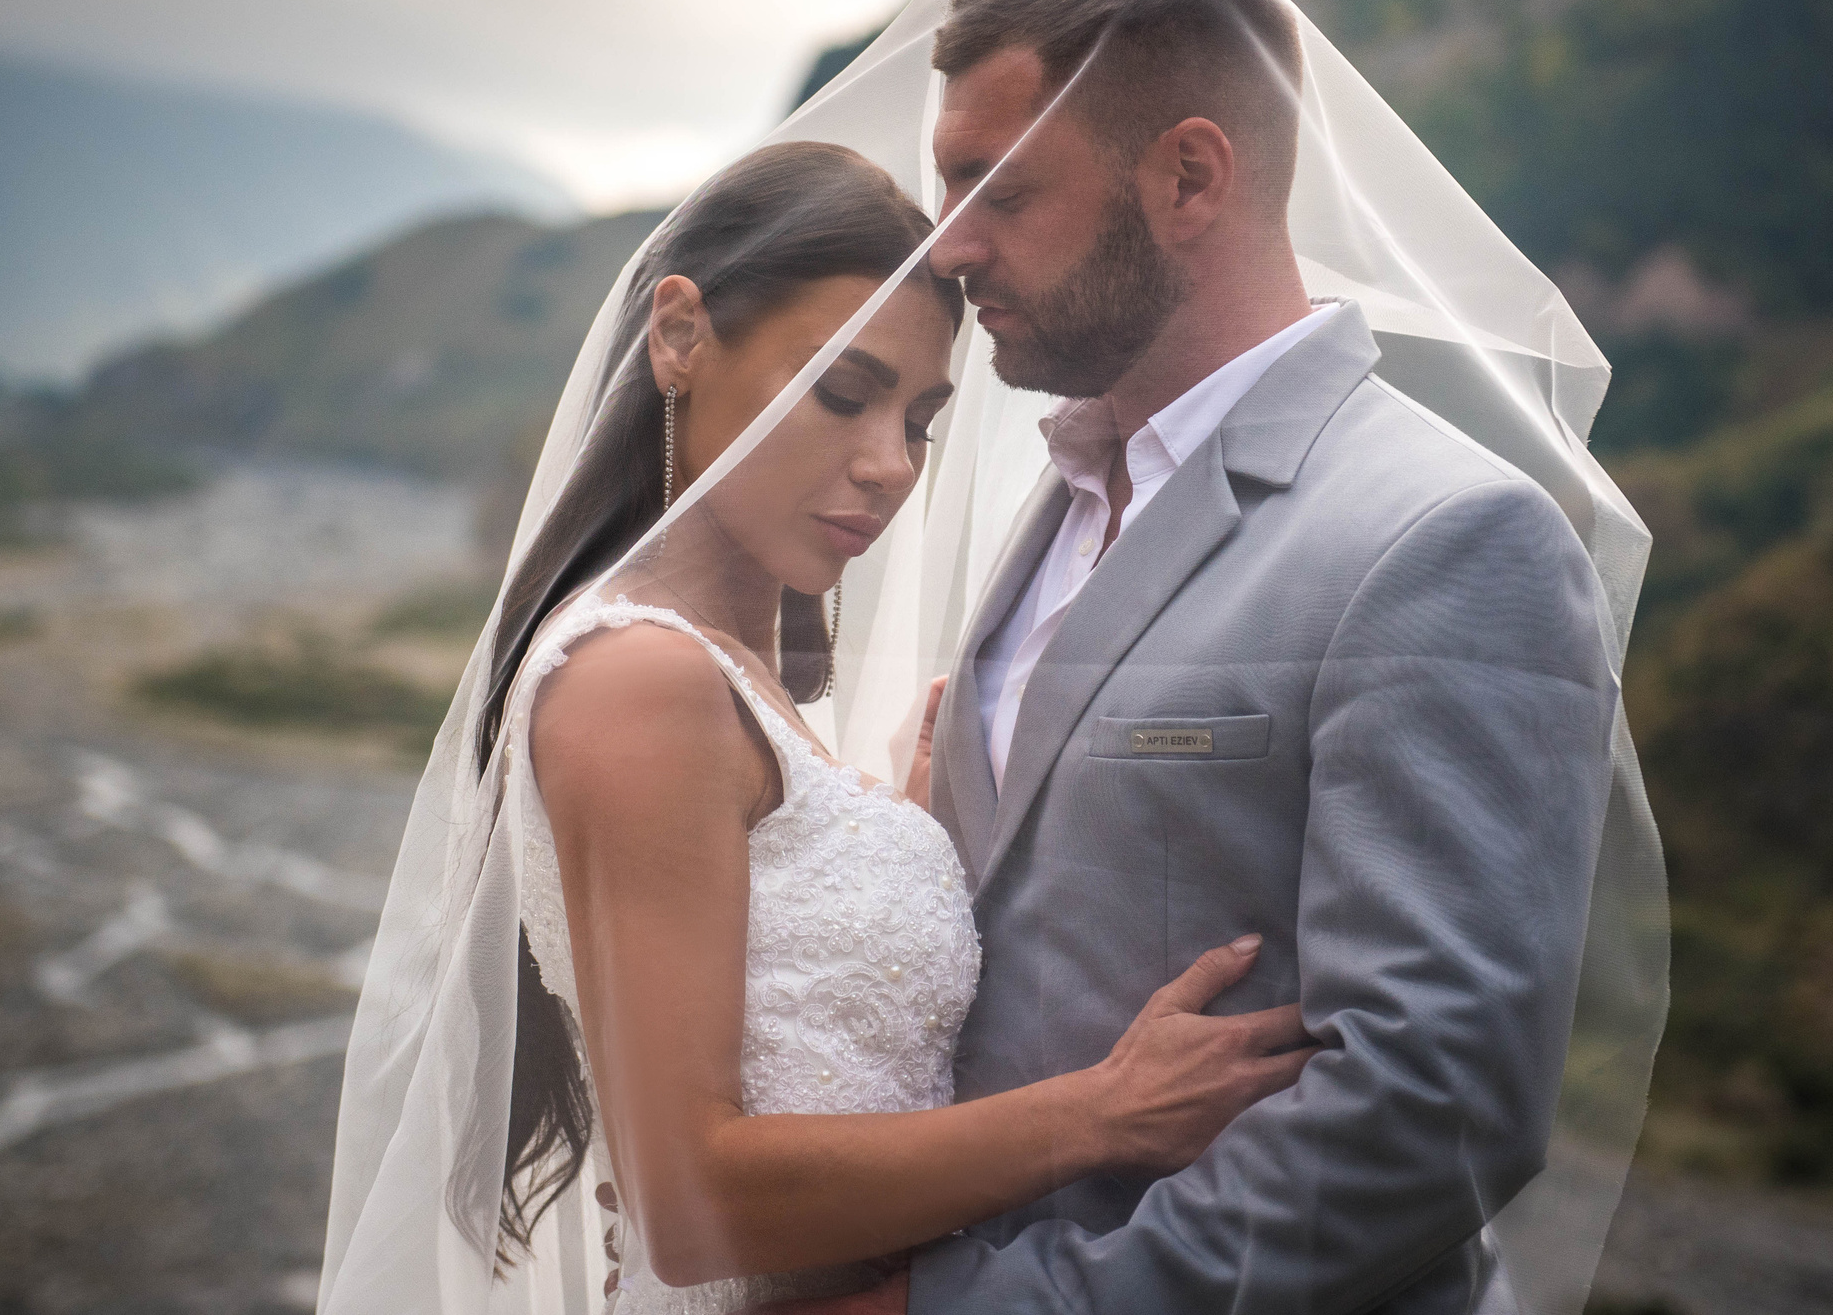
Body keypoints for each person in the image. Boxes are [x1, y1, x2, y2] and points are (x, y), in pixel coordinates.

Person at [777, 0, 1626, 1313]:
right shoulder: (1052, 503)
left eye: (997, 187)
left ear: (1188, 177)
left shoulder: (1445, 537)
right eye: (947, 187)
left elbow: (1432, 1112)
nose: (951, 249)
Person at [322, 140, 1314, 1315]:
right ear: (679, 335)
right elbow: (691, 1205)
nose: (886, 465)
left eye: (920, 419)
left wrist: (913, 826)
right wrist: (1102, 1112)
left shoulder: (728, 683)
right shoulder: (641, 678)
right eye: (842, 392)